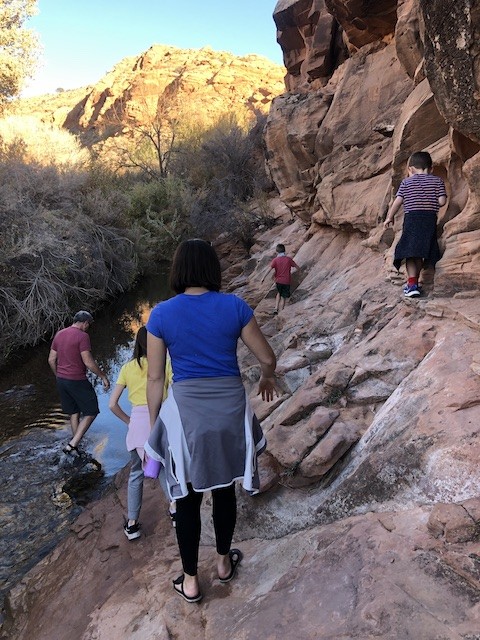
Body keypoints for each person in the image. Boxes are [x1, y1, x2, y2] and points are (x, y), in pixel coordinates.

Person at [145, 238, 278, 604]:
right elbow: (267, 357)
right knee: (223, 490)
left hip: (188, 417)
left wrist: (157, 426)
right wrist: (267, 378)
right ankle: (222, 564)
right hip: (229, 412)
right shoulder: (234, 306)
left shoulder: (161, 315)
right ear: (212, 270)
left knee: (186, 499)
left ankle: (190, 581)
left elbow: (155, 379)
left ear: (178, 271)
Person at [109, 326, 175, 541]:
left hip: (137, 424)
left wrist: (129, 421)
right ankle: (175, 509)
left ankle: (132, 524)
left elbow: (112, 404)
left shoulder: (128, 367)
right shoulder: (165, 363)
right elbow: (176, 389)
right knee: (165, 467)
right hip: (160, 419)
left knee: (136, 473)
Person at [384, 151, 447, 297]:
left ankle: (412, 285)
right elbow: (442, 202)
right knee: (421, 251)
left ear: (410, 169)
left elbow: (398, 201)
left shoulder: (406, 182)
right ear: (431, 169)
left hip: (412, 219)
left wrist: (390, 217)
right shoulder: (437, 181)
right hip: (429, 220)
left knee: (411, 253)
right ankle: (414, 283)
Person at [48, 310, 110, 455]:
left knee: (74, 412)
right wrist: (102, 376)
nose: (88, 327)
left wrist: (58, 375)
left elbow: (51, 359)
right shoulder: (83, 336)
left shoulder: (60, 334)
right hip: (77, 380)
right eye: (89, 324)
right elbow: (88, 361)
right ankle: (73, 444)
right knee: (92, 411)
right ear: (85, 323)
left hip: (62, 380)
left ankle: (76, 444)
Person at [261, 243, 300, 314]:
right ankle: (281, 311)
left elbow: (269, 269)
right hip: (286, 281)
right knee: (283, 297)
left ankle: (276, 308)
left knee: (279, 293)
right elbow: (297, 267)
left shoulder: (275, 260)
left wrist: (263, 277)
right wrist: (299, 271)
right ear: (284, 251)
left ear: (277, 251)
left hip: (278, 281)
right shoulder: (288, 259)